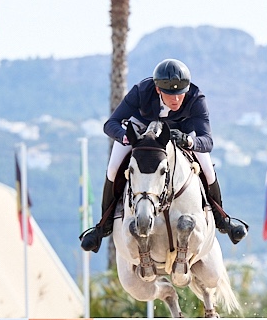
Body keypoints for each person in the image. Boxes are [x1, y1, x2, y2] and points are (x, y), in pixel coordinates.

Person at [79, 58, 247, 252]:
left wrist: (188, 141)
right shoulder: (142, 91)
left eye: (180, 94)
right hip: (142, 130)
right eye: (170, 94)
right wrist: (127, 137)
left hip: (182, 132)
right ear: (158, 89)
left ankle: (222, 219)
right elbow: (111, 124)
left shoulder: (196, 97)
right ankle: (104, 225)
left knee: (208, 169)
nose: (176, 100)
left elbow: (207, 141)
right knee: (113, 168)